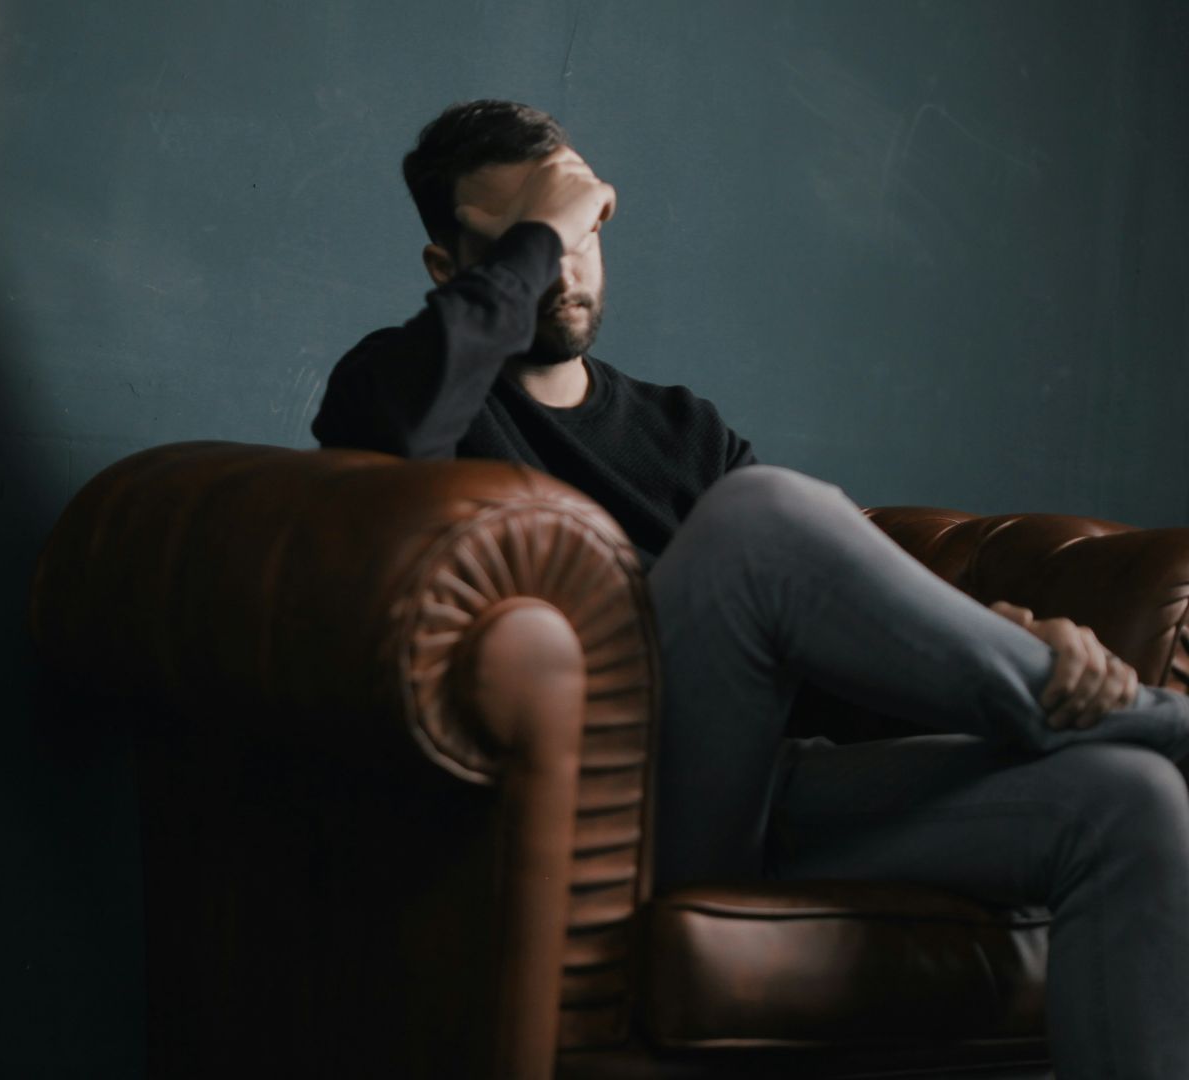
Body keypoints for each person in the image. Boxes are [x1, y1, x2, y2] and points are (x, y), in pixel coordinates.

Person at [311, 99, 1189, 1079]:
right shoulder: (399, 385)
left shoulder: (684, 429)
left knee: (1130, 799)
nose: (564, 260)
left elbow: (829, 630)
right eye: (530, 235)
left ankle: (1117, 728)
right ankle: (1154, 719)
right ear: (451, 269)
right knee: (763, 515)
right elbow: (393, 436)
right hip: (619, 821)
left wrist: (988, 635)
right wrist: (544, 224)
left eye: (581, 224)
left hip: (767, 793)